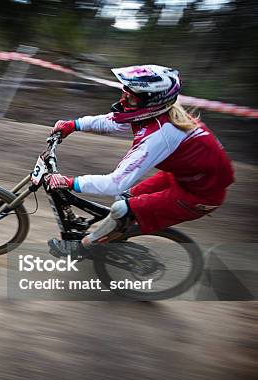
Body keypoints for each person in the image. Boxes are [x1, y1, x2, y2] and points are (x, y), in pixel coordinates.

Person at [44, 65, 234, 252]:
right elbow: (113, 122)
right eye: (124, 93)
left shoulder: (161, 135)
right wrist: (73, 125)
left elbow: (114, 182)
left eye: (131, 99)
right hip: (184, 178)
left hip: (200, 195)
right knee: (125, 197)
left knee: (121, 208)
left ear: (151, 103)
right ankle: (113, 238)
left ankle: (84, 246)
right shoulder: (160, 111)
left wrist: (69, 182)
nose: (123, 101)